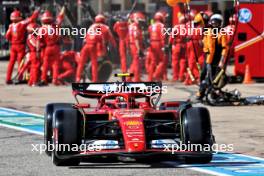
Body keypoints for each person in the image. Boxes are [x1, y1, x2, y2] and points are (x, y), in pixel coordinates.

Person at [196, 14, 229, 100]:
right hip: (207, 58)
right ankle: (201, 92)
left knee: (214, 78)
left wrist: (222, 60)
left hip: (217, 59)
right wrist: (201, 44)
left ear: (220, 23)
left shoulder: (222, 33)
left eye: (217, 22)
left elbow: (225, 48)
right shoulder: (207, 31)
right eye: (213, 21)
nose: (214, 23)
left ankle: (214, 93)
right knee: (203, 74)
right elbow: (205, 44)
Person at [5, 9, 39, 84]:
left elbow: (7, 36)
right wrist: (36, 11)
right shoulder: (22, 23)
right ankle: (20, 77)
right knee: (20, 62)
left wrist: (12, 40)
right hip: (20, 45)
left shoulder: (10, 26)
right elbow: (31, 19)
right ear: (18, 17)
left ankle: (8, 78)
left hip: (13, 46)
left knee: (11, 63)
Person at [38, 8, 65, 86]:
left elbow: (39, 40)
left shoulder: (41, 29)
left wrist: (38, 50)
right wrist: (63, 8)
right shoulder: (56, 25)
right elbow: (61, 17)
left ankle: (43, 79)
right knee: (56, 64)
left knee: (45, 64)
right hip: (56, 47)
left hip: (47, 48)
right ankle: (55, 80)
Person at [148, 12, 165, 81]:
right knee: (162, 60)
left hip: (151, 43)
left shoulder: (151, 26)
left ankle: (150, 77)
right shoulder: (162, 26)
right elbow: (162, 36)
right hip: (159, 43)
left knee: (153, 61)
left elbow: (149, 34)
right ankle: (156, 74)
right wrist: (163, 46)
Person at [169, 14, 187, 82]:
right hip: (184, 46)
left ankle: (175, 77)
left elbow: (171, 37)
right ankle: (181, 77)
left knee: (175, 62)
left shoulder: (176, 27)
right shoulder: (187, 27)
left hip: (177, 46)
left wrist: (169, 44)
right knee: (183, 61)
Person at [128, 13, 144, 82]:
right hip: (135, 45)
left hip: (132, 45)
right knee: (137, 63)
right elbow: (136, 38)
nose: (141, 22)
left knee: (134, 62)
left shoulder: (130, 26)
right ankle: (136, 79)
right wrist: (139, 49)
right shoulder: (135, 27)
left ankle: (129, 78)